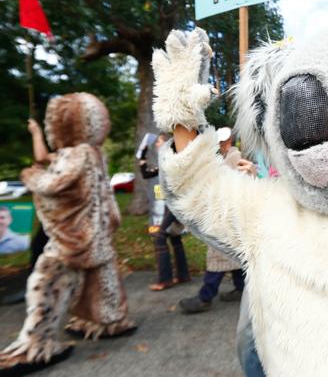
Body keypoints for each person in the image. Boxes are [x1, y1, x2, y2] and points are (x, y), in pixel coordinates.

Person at [0, 93, 136, 375]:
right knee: (103, 283)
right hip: (97, 235)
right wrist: (36, 133)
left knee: (48, 284)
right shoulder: (94, 153)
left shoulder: (80, 154)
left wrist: (31, 177)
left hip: (75, 239)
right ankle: (108, 322)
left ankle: (36, 345)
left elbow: (56, 183)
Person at [179, 127, 256, 313]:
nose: (219, 144)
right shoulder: (226, 156)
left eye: (221, 141)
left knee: (216, 256)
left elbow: (237, 184)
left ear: (228, 141)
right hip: (226, 214)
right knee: (231, 256)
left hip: (228, 216)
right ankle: (240, 288)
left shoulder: (234, 157)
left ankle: (205, 297)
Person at [139, 133, 190, 291]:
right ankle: (183, 275)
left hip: (174, 206)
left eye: (159, 142)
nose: (156, 144)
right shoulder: (163, 163)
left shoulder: (171, 161)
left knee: (160, 237)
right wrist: (142, 153)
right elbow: (146, 173)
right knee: (175, 238)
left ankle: (165, 280)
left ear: (167, 143)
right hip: (171, 207)